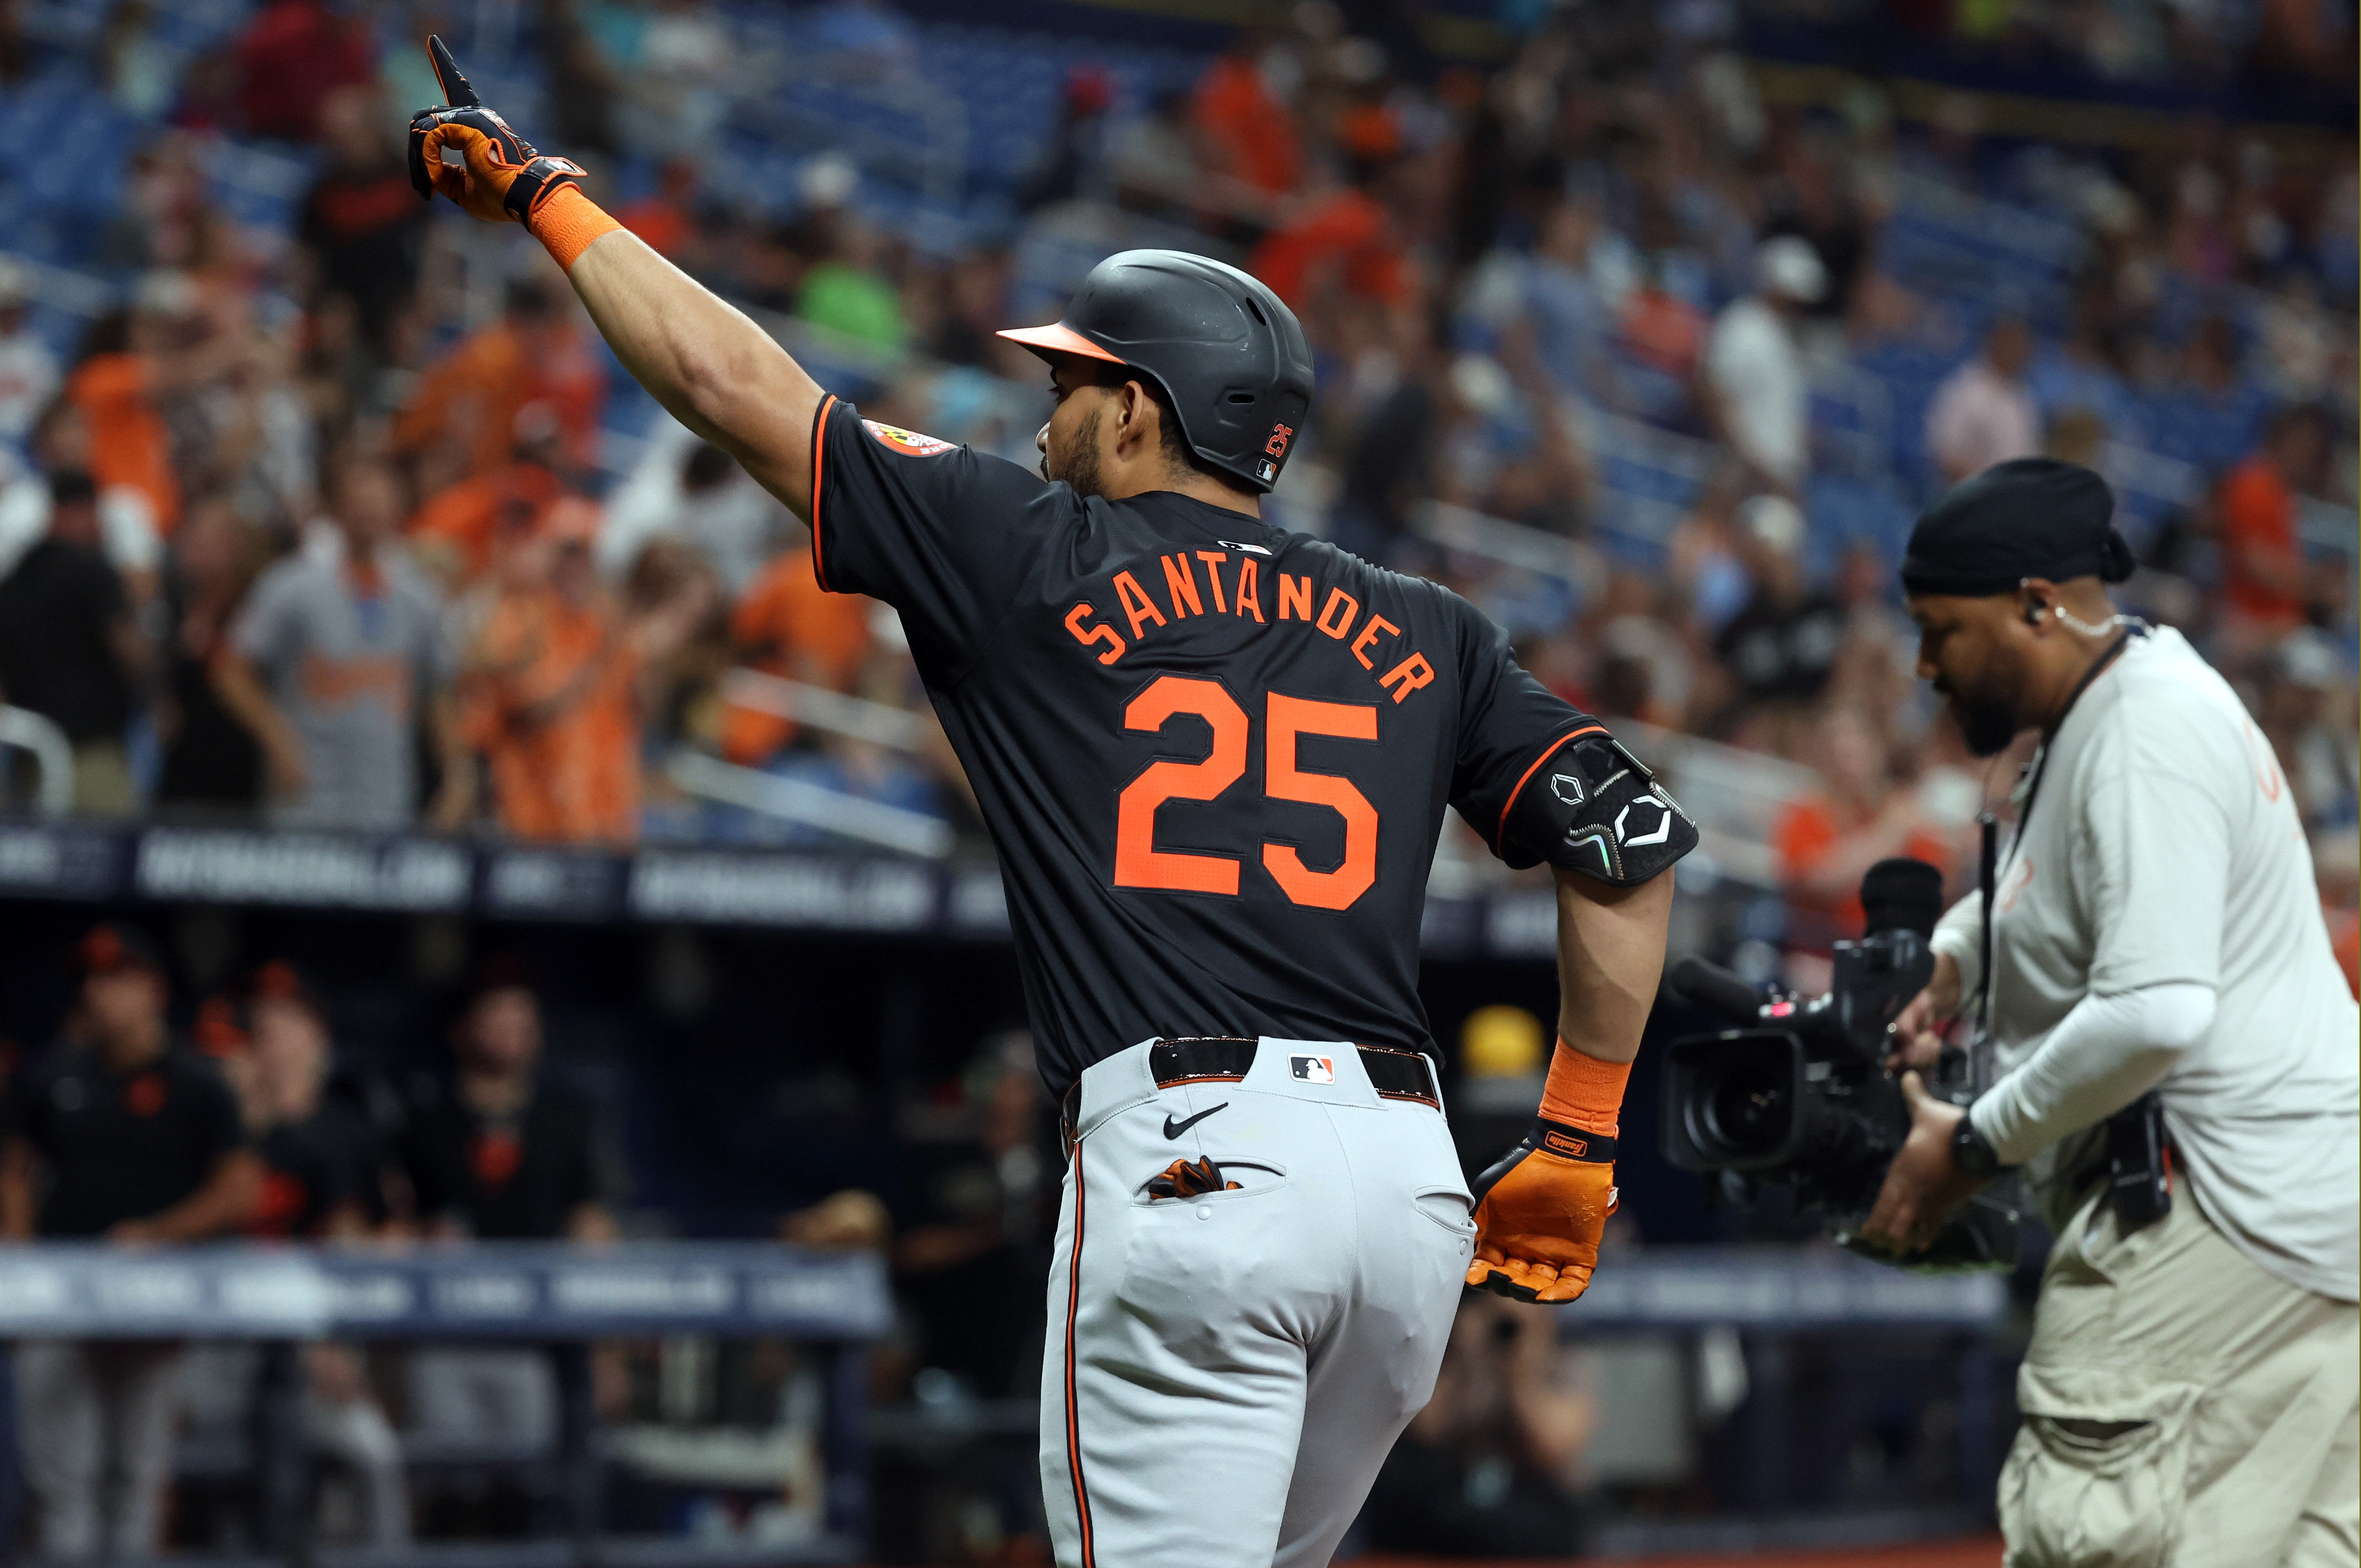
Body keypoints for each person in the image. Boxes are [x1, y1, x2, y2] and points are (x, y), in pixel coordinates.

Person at [410, 54, 1688, 1568]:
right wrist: (1579, 1131)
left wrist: (547, 197)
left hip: (1193, 1160)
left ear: (1144, 413)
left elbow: (727, 386)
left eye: (1073, 383)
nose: (1046, 412)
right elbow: (1626, 843)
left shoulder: (1031, 546)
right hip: (1402, 1192)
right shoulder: (1429, 622)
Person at [1861, 459, 2359, 1567]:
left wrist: (1974, 1145)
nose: (1923, 662)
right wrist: (1948, 963)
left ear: (2037, 603)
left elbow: (2152, 1009)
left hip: (2208, 1210)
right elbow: (2048, 899)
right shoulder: (2124, 699)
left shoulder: (2143, 733)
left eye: (1942, 628)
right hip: (2295, 1221)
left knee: (2087, 1538)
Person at [0, 924, 261, 1560]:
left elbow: (240, 1190)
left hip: (153, 1293)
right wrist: (24, 1253)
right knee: (64, 1484)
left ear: (152, 989)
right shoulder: (53, 1072)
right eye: (90, 979)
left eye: (114, 979)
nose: (97, 992)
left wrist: (156, 1232)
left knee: (134, 1482)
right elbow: (10, 1169)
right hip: (62, 1296)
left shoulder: (195, 1081)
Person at [400, 963, 621, 1467]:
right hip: (447, 1331)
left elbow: (593, 1230)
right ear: (462, 1030)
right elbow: (392, 1226)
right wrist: (420, 1239)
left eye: (521, 1016)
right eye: (494, 1014)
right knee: (445, 1483)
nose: (509, 1027)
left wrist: (604, 1347)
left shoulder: (567, 1118)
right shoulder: (426, 1121)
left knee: (531, 1485)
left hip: (535, 1338)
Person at [213, 451, 470, 831]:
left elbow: (438, 690)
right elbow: (230, 669)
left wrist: (458, 777)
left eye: (381, 495)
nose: (370, 507)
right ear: (336, 505)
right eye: (359, 495)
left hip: (385, 802)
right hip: (306, 801)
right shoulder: (292, 585)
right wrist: (276, 736)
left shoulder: (418, 597)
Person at [1359, 1294, 1596, 1556]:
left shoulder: (1559, 1364)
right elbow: (1424, 1428)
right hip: (1446, 1504)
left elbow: (1553, 1446)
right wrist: (1468, 1360)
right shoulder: (1450, 1359)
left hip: (1528, 1508)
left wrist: (1520, 1373)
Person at [0, 469, 150, 815]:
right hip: (92, 757)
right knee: (108, 860)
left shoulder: (17, 577)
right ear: (85, 510)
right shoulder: (93, 568)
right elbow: (129, 648)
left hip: (31, 759)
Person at [1703, 235, 1822, 494]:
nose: (1800, 307)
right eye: (1794, 298)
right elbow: (1716, 396)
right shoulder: (1741, 326)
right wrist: (1753, 466)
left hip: (1779, 476)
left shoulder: (1786, 340)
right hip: (1746, 474)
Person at [1924, 314, 2040, 484]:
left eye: (2023, 343)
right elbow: (1947, 457)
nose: (2019, 350)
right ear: (1994, 342)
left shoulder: (2022, 393)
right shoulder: (1966, 390)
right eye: (2012, 341)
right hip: (1978, 501)